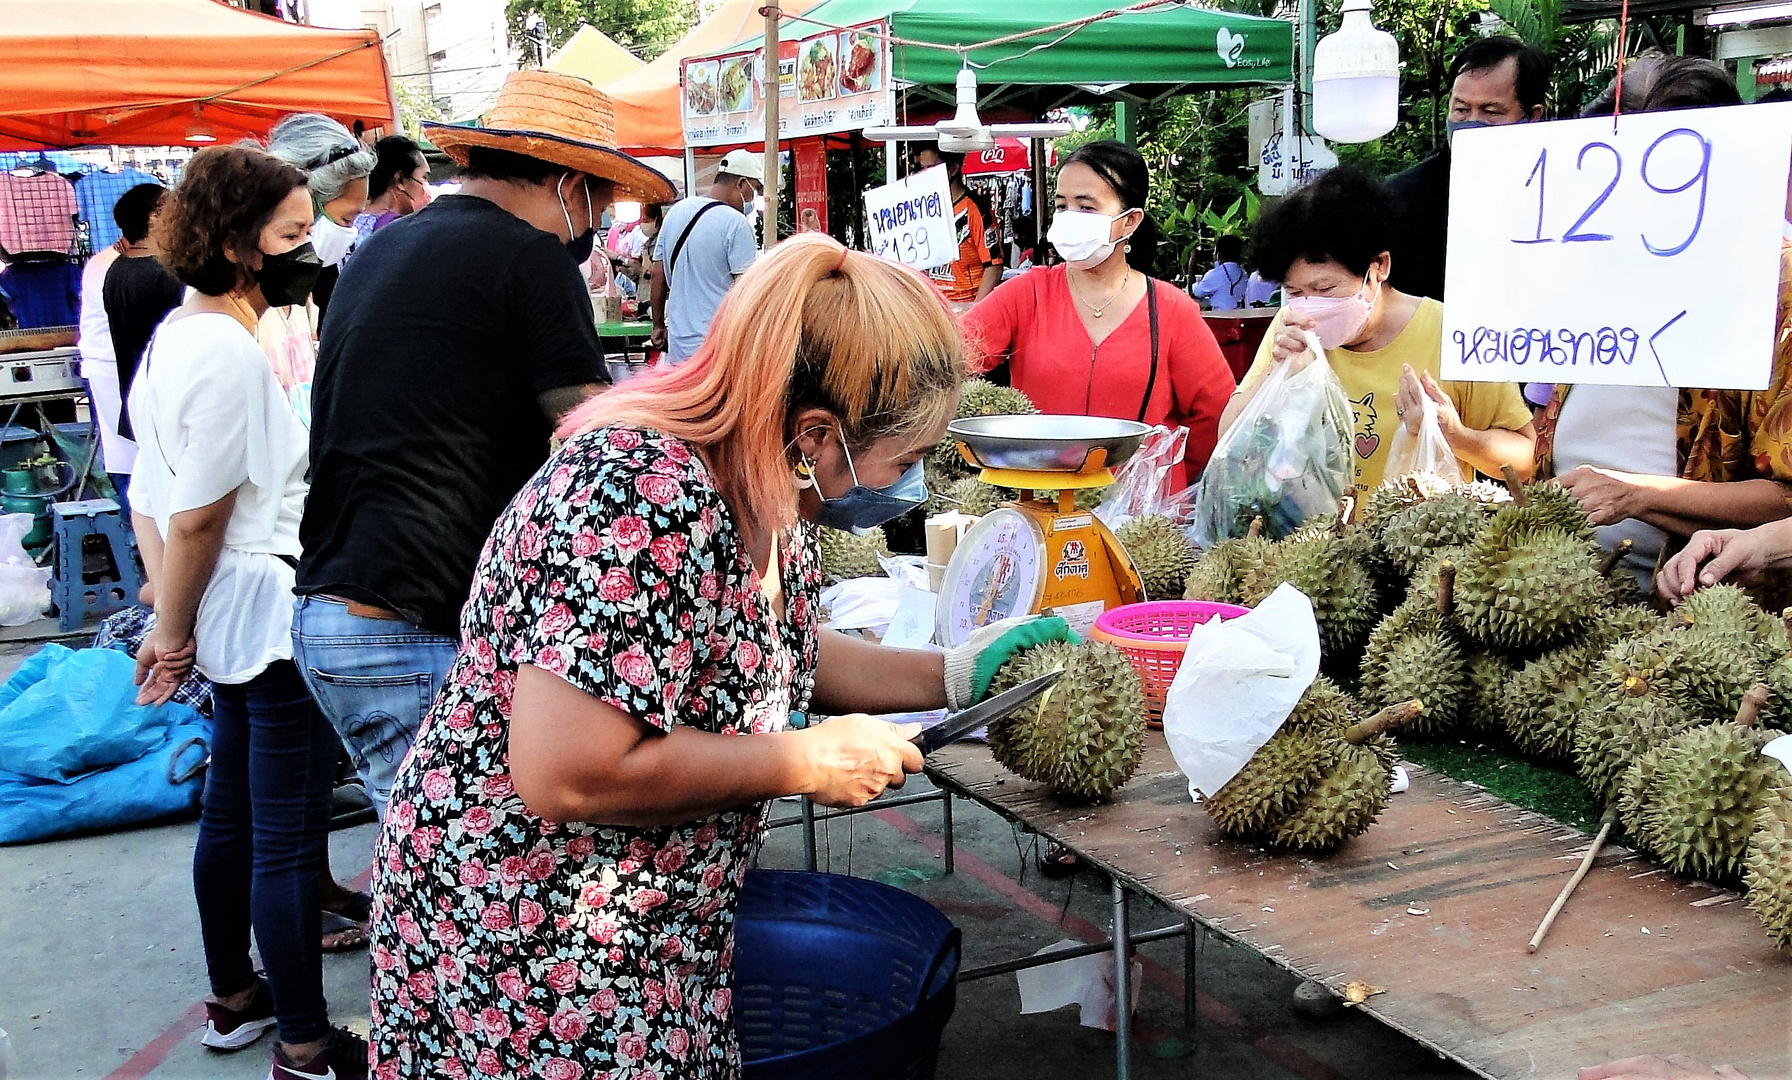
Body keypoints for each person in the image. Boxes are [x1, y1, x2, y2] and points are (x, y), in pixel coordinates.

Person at [367, 232, 1073, 1077]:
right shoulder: (631, 492)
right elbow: (567, 772)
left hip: (657, 922)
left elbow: (775, 649)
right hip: (528, 931)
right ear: (817, 435)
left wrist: (953, 673)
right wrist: (800, 762)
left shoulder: (769, 484)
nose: (909, 484)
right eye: (907, 460)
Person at [293, 71, 675, 816]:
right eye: (596, 200)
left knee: (420, 871)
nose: (591, 221)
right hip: (415, 623)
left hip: (331, 612)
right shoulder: (526, 256)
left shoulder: (381, 248)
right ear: (569, 183)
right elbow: (597, 437)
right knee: (478, 885)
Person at [127, 144, 365, 1080]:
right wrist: (172, 631)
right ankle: (306, 1042)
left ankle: (236, 996)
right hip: (261, 614)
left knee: (231, 819)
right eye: (295, 236)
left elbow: (151, 496)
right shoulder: (224, 351)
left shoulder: (178, 338)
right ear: (237, 245)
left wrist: (181, 616)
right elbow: (194, 517)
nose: (315, 252)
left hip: (227, 608)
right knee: (284, 834)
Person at [1535, 60, 1770, 595]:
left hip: (1702, 621)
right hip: (1568, 597)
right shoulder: (1579, 272)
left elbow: (1785, 498)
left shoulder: (1773, 292)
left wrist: (1639, 494)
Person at [1228, 166, 1536, 493]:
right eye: (1296, 292)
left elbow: (1527, 459)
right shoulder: (1289, 329)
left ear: (1379, 267)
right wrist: (1276, 373)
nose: (1310, 306)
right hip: (1315, 542)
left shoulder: (1452, 332)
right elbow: (1228, 437)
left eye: (1326, 289)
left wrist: (1455, 435)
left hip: (1421, 538)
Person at [963, 140, 1236, 490]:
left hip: (1143, 516)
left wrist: (1168, 477)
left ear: (1129, 221)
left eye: (1086, 207)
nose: (1069, 217)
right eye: (1062, 206)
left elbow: (1215, 413)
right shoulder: (1026, 294)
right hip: (1038, 500)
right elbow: (952, 356)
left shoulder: (1171, 310)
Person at [1386, 37, 1549, 301]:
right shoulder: (1401, 200)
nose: (1471, 122)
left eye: (1491, 112)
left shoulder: (1561, 193)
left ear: (1532, 116)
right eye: (1461, 109)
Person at [651, 148, 762, 365]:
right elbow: (747, 290)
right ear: (740, 184)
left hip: (679, 347)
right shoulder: (736, 224)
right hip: (717, 348)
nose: (753, 197)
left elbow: (658, 275)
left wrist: (657, 325)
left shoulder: (676, 212)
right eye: (755, 188)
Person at [102, 183, 183, 452]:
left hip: (138, 401)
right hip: (165, 406)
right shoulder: (165, 274)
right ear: (154, 217)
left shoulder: (116, 269)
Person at [912, 144, 1003, 306]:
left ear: (952, 170)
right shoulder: (924, 208)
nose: (925, 175)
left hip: (967, 302)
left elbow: (994, 266)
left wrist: (975, 311)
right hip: (936, 304)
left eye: (931, 168)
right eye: (922, 168)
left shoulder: (976, 209)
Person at [348, 134, 430, 255]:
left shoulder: (351, 223)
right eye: (424, 177)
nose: (427, 186)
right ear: (400, 180)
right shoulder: (401, 231)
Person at [1191, 234, 1248, 310]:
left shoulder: (1214, 275)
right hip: (1240, 316)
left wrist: (1191, 266)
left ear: (1218, 254)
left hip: (1220, 318)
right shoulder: (1244, 274)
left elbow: (1195, 293)